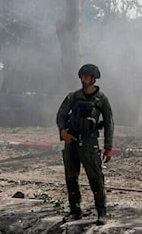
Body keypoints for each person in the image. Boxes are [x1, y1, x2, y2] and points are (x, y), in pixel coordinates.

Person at [56, 63, 114, 224]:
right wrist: (63, 133)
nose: (83, 79)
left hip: (90, 143)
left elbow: (109, 123)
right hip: (72, 142)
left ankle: (102, 212)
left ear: (94, 79)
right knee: (71, 177)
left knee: (96, 178)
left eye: (87, 77)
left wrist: (108, 147)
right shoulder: (72, 97)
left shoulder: (101, 99)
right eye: (82, 76)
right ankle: (75, 211)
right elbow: (60, 116)